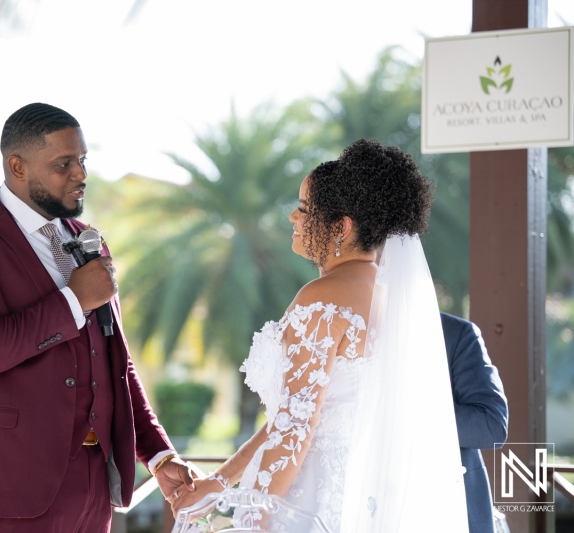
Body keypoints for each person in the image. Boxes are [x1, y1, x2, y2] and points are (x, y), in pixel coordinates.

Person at [0, 103, 194, 533]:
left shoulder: (88, 241)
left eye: (82, 160)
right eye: (64, 163)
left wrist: (158, 455)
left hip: (91, 488)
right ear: (17, 166)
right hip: (0, 489)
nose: (80, 174)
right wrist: (72, 302)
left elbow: (115, 362)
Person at [171, 139, 469, 532]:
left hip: (304, 503)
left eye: (304, 209)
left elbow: (297, 423)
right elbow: (293, 414)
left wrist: (257, 516)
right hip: (362, 498)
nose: (293, 218)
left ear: (340, 227)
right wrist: (221, 479)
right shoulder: (387, 296)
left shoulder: (323, 298)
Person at [441, 312, 509, 533]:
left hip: (446, 503)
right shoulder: (335, 326)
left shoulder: (454, 333)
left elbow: (492, 426)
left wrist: (412, 413)